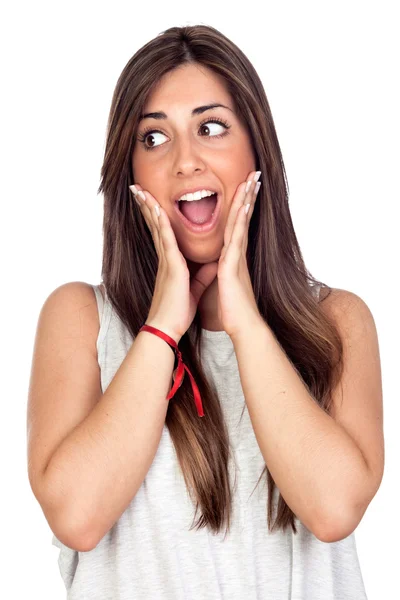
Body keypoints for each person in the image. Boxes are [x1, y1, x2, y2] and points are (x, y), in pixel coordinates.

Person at [27, 24, 383, 599]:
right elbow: (76, 515)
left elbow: (334, 507)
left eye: (210, 127)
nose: (185, 161)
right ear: (131, 173)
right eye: (153, 138)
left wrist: (244, 319)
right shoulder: (82, 319)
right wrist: (163, 327)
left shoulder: (337, 323)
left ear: (255, 149)